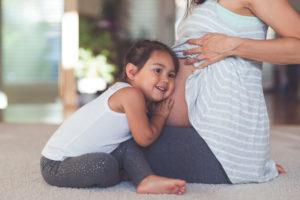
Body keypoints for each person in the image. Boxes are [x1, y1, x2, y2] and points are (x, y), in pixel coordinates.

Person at [144, 0, 298, 184]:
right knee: (118, 125)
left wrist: (232, 46)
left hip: (214, 145)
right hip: (189, 131)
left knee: (122, 146)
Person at [40, 40, 186, 195]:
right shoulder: (131, 95)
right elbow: (145, 138)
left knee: (125, 146)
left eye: (171, 75)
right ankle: (129, 174)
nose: (165, 80)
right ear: (132, 72)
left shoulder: (131, 95)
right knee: (105, 165)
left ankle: (145, 179)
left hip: (80, 157)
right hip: (56, 165)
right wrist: (160, 115)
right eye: (158, 70)